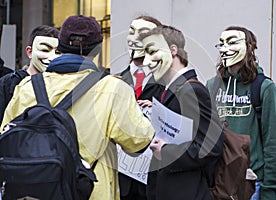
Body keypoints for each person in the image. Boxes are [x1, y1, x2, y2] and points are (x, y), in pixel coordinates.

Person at [0, 15, 154, 200]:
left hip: (32, 192)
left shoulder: (27, 86)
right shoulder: (113, 89)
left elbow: (6, 134)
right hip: (89, 192)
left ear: (60, 46)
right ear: (97, 49)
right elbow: (137, 141)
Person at [138, 25, 224, 200]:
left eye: (152, 52)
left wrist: (166, 151)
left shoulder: (191, 90)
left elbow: (210, 146)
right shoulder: (173, 89)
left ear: (173, 51)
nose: (146, 62)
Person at [206, 26, 276, 199]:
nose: (225, 48)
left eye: (232, 42)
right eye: (221, 43)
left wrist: (269, 187)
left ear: (249, 47)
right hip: (219, 180)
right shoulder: (212, 85)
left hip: (251, 181)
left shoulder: (264, 88)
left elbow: (271, 141)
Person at [118, 15, 164, 200]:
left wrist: (160, 109)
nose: (135, 38)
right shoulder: (113, 81)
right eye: (131, 32)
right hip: (121, 179)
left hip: (153, 178)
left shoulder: (170, 84)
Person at [0, 25, 60, 124]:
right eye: (44, 50)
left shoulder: (61, 85)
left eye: (57, 52)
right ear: (29, 52)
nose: (51, 57)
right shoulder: (8, 84)